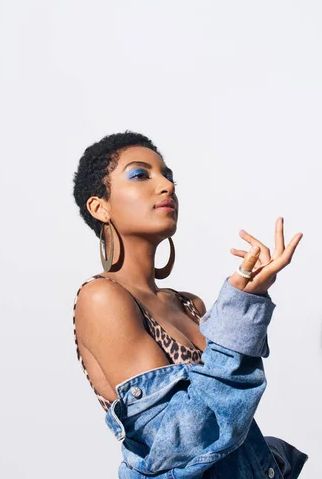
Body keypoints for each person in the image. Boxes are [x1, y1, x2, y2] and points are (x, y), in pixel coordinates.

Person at [72, 130, 309, 478]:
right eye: (141, 175)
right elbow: (181, 439)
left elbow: (226, 418)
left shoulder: (189, 304)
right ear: (100, 206)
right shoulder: (103, 297)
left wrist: (250, 299)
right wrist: (238, 309)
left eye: (168, 176)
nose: (166, 186)